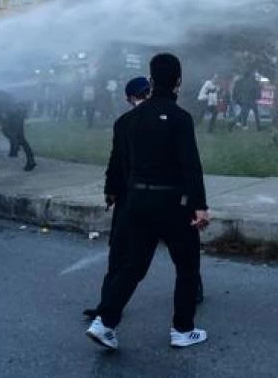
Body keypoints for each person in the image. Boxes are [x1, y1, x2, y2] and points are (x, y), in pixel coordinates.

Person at [87, 54, 210, 352]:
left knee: (132, 266)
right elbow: (190, 165)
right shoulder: (180, 118)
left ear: (152, 80)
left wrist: (111, 191)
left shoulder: (128, 120)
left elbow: (117, 163)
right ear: (179, 81)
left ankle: (104, 323)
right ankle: (183, 329)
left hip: (137, 202)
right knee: (187, 266)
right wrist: (200, 206)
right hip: (172, 203)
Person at [83, 76, 151, 320]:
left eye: (146, 94)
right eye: (141, 95)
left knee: (181, 252)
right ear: (130, 99)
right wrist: (111, 189)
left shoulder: (156, 120)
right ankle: (106, 307)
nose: (144, 99)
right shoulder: (124, 123)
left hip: (155, 198)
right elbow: (116, 159)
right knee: (120, 255)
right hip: (129, 197)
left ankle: (191, 289)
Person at [0, 87, 36, 172]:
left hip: (15, 115)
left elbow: (4, 114)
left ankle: (31, 160)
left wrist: (5, 128)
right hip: (11, 113)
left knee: (20, 138)